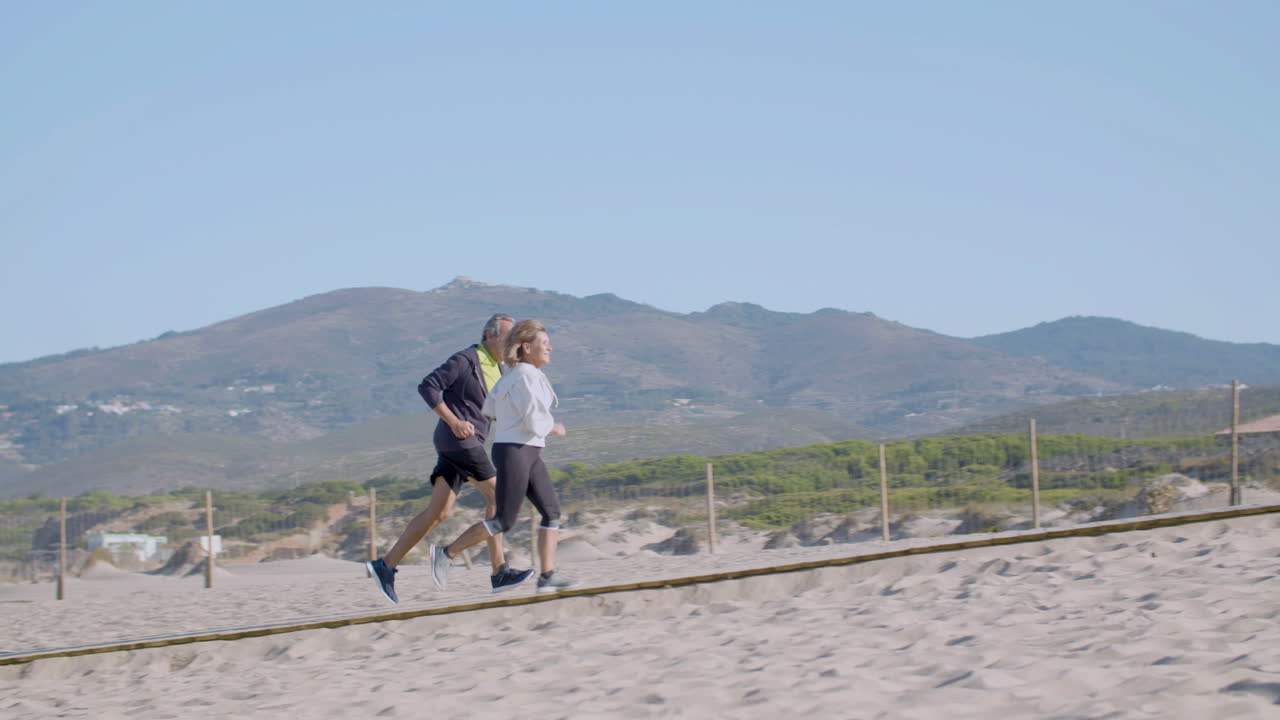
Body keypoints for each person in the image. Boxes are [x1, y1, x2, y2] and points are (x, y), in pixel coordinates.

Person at [367, 313, 533, 603]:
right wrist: (454, 421)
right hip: (459, 441)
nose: (513, 344)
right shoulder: (466, 360)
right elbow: (428, 386)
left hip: (459, 445)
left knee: (439, 512)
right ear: (490, 335)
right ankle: (495, 570)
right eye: (509, 337)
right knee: (500, 498)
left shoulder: (500, 368)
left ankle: (386, 565)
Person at [429, 319, 581, 594]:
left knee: (551, 511)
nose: (550, 348)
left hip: (528, 450)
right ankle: (446, 553)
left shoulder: (519, 374)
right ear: (526, 347)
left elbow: (491, 406)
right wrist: (553, 427)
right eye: (544, 344)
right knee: (504, 520)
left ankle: (547, 576)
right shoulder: (523, 376)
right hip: (516, 452)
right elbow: (534, 420)